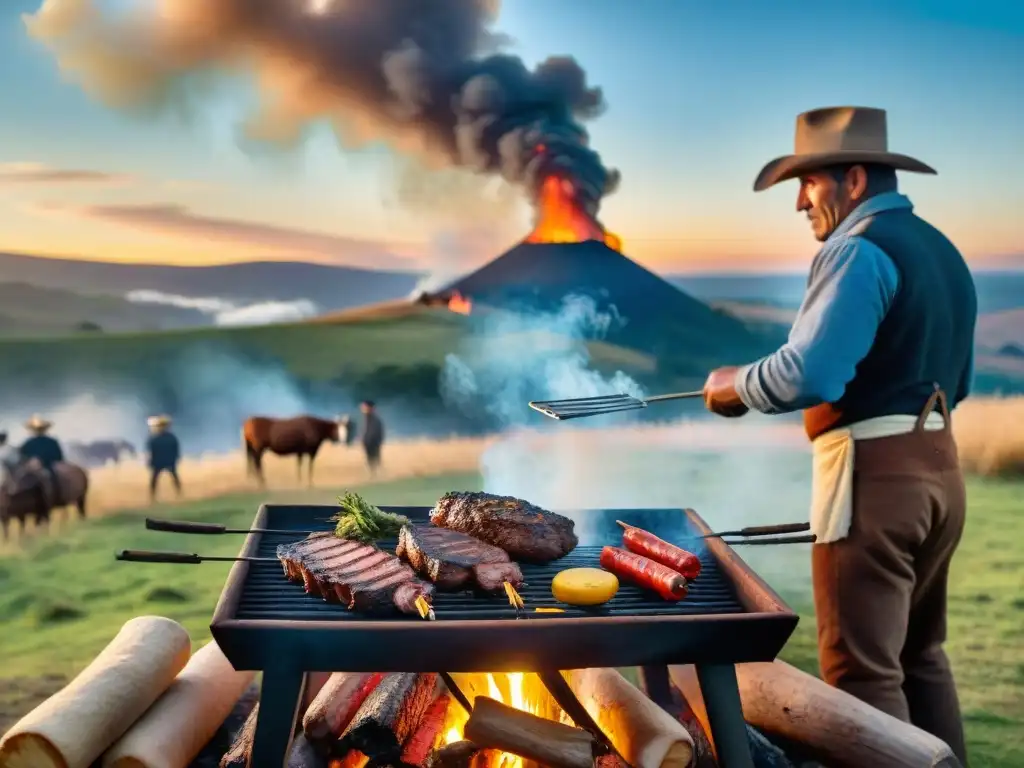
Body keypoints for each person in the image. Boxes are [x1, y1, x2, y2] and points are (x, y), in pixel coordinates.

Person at [701, 106, 974, 763]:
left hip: (872, 478)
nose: (800, 202)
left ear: (853, 179)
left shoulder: (856, 248)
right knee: (920, 656)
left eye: (810, 183)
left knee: (861, 670)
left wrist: (735, 385)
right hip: (941, 469)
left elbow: (812, 373)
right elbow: (957, 381)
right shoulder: (942, 249)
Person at [18, 414, 65, 505]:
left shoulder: (28, 443)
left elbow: (58, 457)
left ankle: (51, 498)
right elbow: (59, 457)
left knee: (51, 478)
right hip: (39, 468)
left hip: (46, 467)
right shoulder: (51, 442)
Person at [146, 415, 182, 501]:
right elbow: (176, 449)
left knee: (155, 479)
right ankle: (178, 494)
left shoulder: (154, 438)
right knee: (172, 476)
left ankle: (153, 497)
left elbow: (151, 450)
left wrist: (150, 461)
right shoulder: (170, 437)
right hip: (166, 461)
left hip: (160, 461)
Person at [359, 401, 384, 475]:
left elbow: (377, 433)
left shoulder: (375, 420)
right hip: (368, 443)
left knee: (374, 459)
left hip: (373, 443)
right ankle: (373, 474)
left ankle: (375, 474)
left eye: (364, 407)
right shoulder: (367, 418)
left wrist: (375, 441)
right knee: (370, 459)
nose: (363, 409)